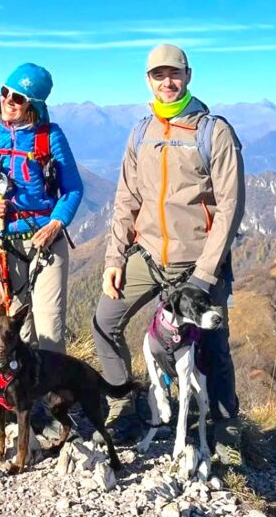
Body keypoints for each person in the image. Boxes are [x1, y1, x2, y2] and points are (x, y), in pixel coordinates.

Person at [92, 44, 245, 462]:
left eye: (174, 73)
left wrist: (206, 274)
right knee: (105, 322)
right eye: (158, 75)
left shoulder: (213, 131)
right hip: (148, 255)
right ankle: (130, 402)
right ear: (148, 80)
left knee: (212, 344)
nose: (167, 82)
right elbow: (127, 197)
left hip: (198, 261)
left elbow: (231, 206)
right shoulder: (142, 131)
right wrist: (114, 259)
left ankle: (224, 425)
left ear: (188, 75)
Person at [0, 63, 83, 352]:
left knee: (49, 322)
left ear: (34, 105)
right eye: (5, 92)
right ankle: (24, 392)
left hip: (46, 238)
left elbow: (73, 188)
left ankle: (57, 394)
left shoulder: (50, 136)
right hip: (3, 239)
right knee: (17, 324)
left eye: (18, 98)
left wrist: (56, 224)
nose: (8, 100)